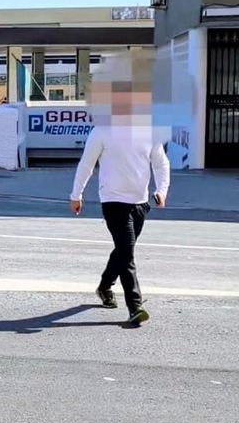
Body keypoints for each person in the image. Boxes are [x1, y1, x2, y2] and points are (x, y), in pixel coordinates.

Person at [69, 82, 171, 327]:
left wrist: (161, 190)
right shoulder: (102, 131)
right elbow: (86, 165)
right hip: (113, 201)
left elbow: (161, 164)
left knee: (122, 250)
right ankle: (135, 306)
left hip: (140, 203)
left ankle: (104, 287)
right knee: (127, 254)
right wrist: (76, 194)